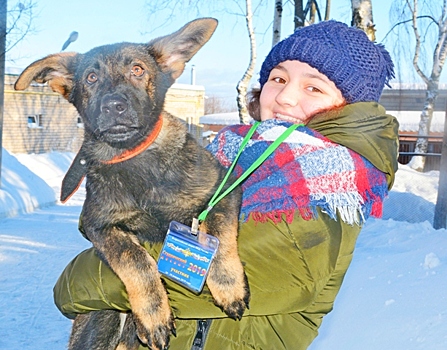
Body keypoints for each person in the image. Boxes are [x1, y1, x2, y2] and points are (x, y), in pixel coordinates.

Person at [53, 20, 399, 349]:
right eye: (278, 79)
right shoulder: (233, 151)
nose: (286, 98)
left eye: (313, 87)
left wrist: (82, 282)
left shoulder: (331, 182)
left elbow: (196, 276)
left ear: (350, 105)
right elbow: (103, 218)